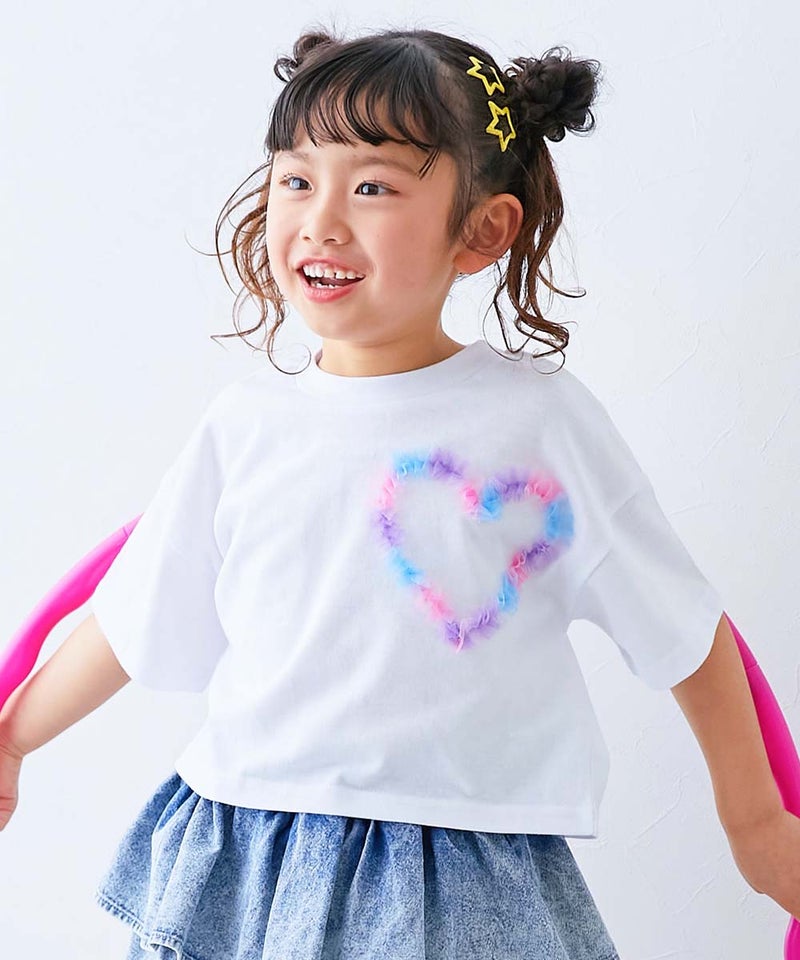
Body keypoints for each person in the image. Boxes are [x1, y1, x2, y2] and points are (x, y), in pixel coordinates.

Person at [1, 23, 793, 960]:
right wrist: (15, 738)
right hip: (246, 856)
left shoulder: (539, 425)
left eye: (372, 187)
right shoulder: (246, 427)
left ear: (482, 230)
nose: (320, 221)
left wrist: (755, 824)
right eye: (297, 179)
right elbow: (132, 618)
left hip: (461, 877)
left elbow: (684, 630)